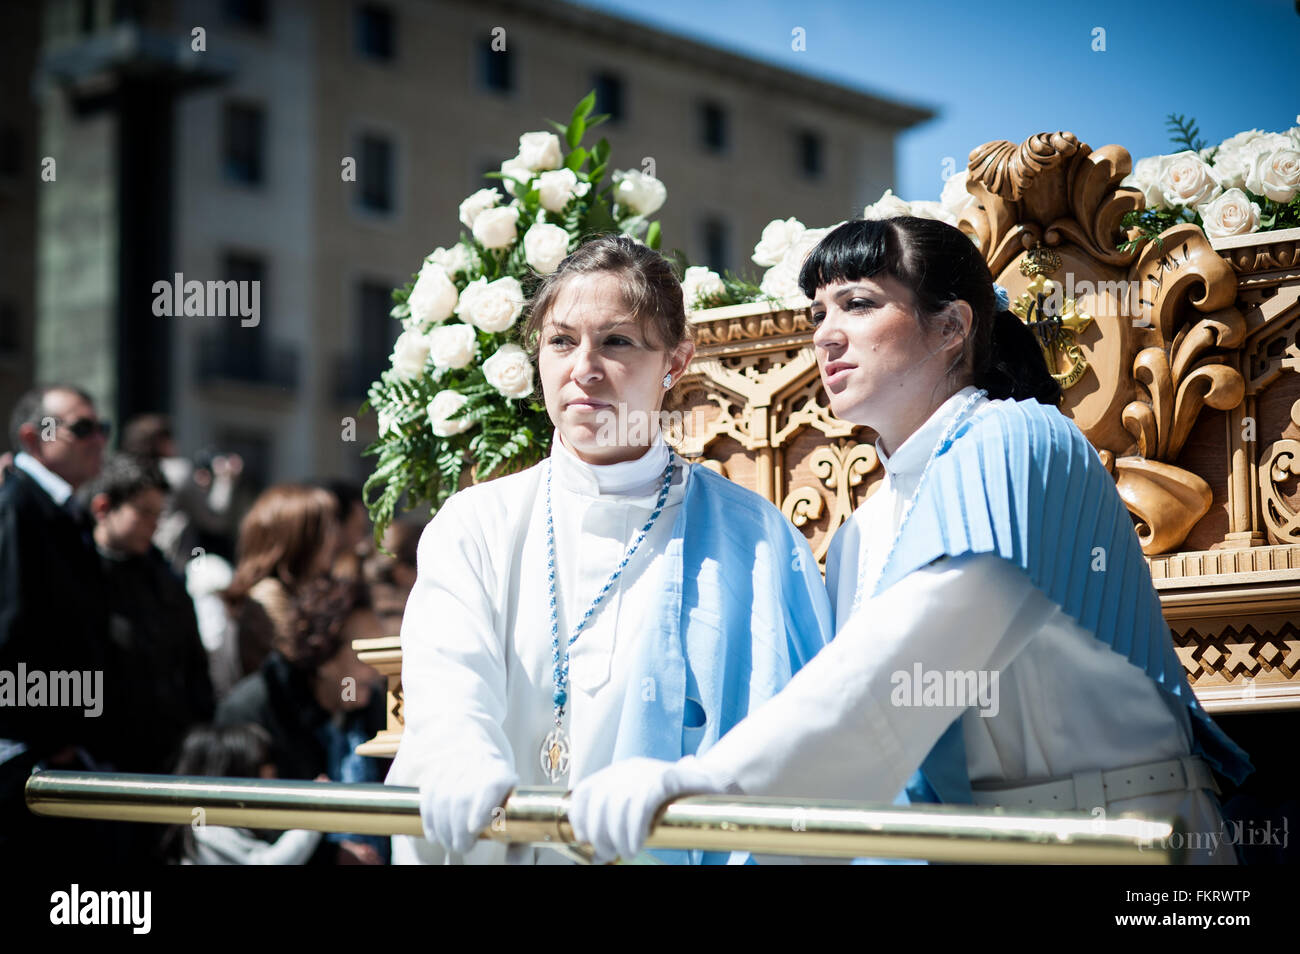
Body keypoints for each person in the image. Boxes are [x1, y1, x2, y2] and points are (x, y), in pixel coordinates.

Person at [568, 216, 1253, 864]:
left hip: (1128, 839)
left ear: (953, 325)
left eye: (858, 303)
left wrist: (703, 785)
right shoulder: (862, 531)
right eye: (818, 314)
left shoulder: (1020, 439)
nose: (826, 336)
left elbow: (900, 672)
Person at [385, 234, 833, 865]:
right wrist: (463, 759)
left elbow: (795, 738)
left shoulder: (754, 539)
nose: (583, 369)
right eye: (562, 341)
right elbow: (448, 684)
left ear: (676, 361)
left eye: (617, 342)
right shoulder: (475, 525)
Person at [0, 385, 118, 862]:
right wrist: (53, 739)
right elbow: (9, 631)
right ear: (33, 437)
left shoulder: (62, 510)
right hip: (29, 757)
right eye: (82, 428)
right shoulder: (16, 507)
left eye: (102, 428)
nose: (98, 441)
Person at [216, 576, 388, 864]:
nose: (378, 671)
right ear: (324, 654)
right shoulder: (253, 713)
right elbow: (249, 825)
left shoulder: (368, 706)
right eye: (364, 655)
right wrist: (330, 855)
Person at [82, 454, 215, 777]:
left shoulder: (164, 580)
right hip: (97, 759)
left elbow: (193, 664)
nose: (154, 524)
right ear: (103, 508)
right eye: (143, 512)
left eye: (159, 514)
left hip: (166, 755)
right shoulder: (76, 575)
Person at [220, 484, 340, 682]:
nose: (335, 539)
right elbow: (305, 665)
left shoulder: (300, 591)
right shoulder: (268, 595)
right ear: (299, 539)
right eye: (325, 530)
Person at [166, 723, 326, 865]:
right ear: (233, 773)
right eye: (262, 762)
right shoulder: (206, 829)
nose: (271, 770)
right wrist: (314, 810)